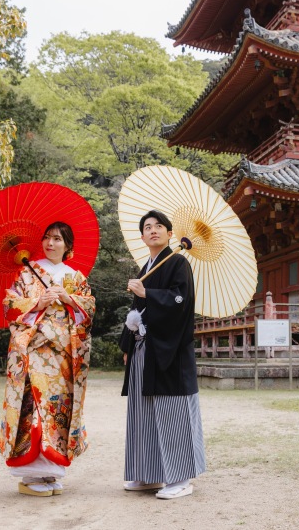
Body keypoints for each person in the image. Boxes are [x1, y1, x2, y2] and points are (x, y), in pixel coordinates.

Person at [0, 221, 95, 497]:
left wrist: (69, 299)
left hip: (63, 356)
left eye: (57, 239)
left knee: (58, 410)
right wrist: (37, 303)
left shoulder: (75, 278)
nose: (50, 243)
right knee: (33, 410)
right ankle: (30, 475)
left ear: (68, 247)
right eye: (46, 238)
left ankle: (52, 471)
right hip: (33, 353)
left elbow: (89, 310)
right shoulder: (27, 273)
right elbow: (9, 305)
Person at [119, 210, 206, 500]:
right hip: (144, 350)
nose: (153, 230)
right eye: (147, 227)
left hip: (170, 351)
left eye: (159, 226)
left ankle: (181, 477)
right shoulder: (147, 267)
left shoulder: (178, 262)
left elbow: (182, 302)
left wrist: (148, 295)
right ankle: (150, 474)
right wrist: (127, 346)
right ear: (142, 237)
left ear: (170, 234)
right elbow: (136, 313)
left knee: (172, 412)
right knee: (143, 413)